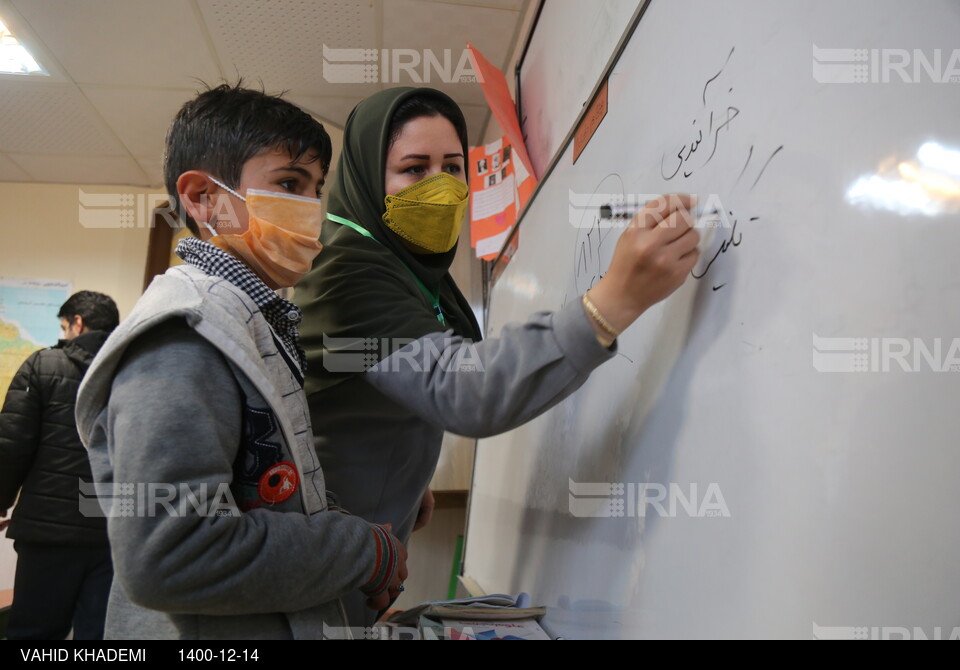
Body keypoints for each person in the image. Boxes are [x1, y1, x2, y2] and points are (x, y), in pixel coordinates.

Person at [293, 87, 700, 625]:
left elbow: (372, 381)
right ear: (369, 180)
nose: (440, 188)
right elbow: (462, 389)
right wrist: (613, 302)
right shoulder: (347, 271)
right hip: (317, 577)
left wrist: (408, 478)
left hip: (352, 556)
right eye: (414, 170)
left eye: (452, 167)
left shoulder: (407, 273)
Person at [74, 84, 407, 640]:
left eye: (315, 189)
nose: (311, 210)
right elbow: (172, 555)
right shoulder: (185, 337)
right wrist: (362, 551)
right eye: (288, 184)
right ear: (205, 198)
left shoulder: (252, 323)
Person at [0, 290, 119, 639]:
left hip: (47, 531)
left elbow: (11, 445)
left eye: (65, 327)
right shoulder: (132, 367)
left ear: (78, 324)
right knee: (98, 635)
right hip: (110, 529)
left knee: (33, 632)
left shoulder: (43, 364)